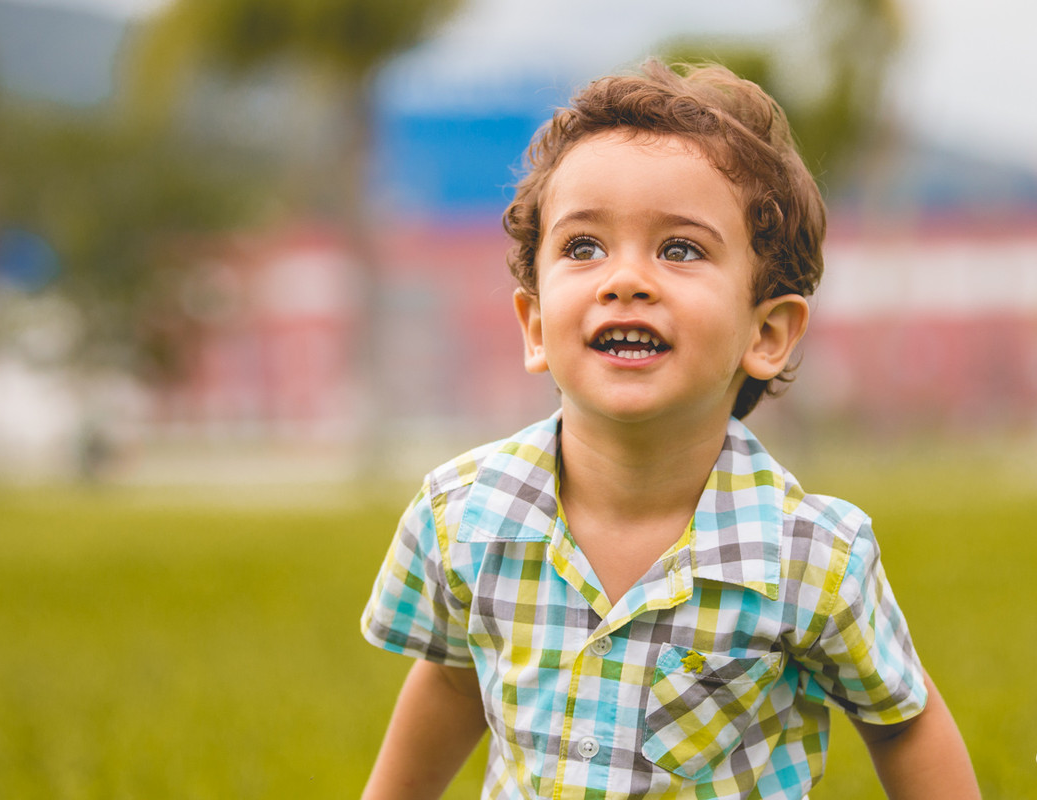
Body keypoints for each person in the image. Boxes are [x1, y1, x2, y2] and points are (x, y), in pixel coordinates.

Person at [359, 59, 979, 800]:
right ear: (533, 326)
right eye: (583, 247)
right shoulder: (463, 515)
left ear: (769, 332)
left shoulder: (810, 559)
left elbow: (903, 721)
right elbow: (456, 683)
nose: (624, 279)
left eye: (680, 249)